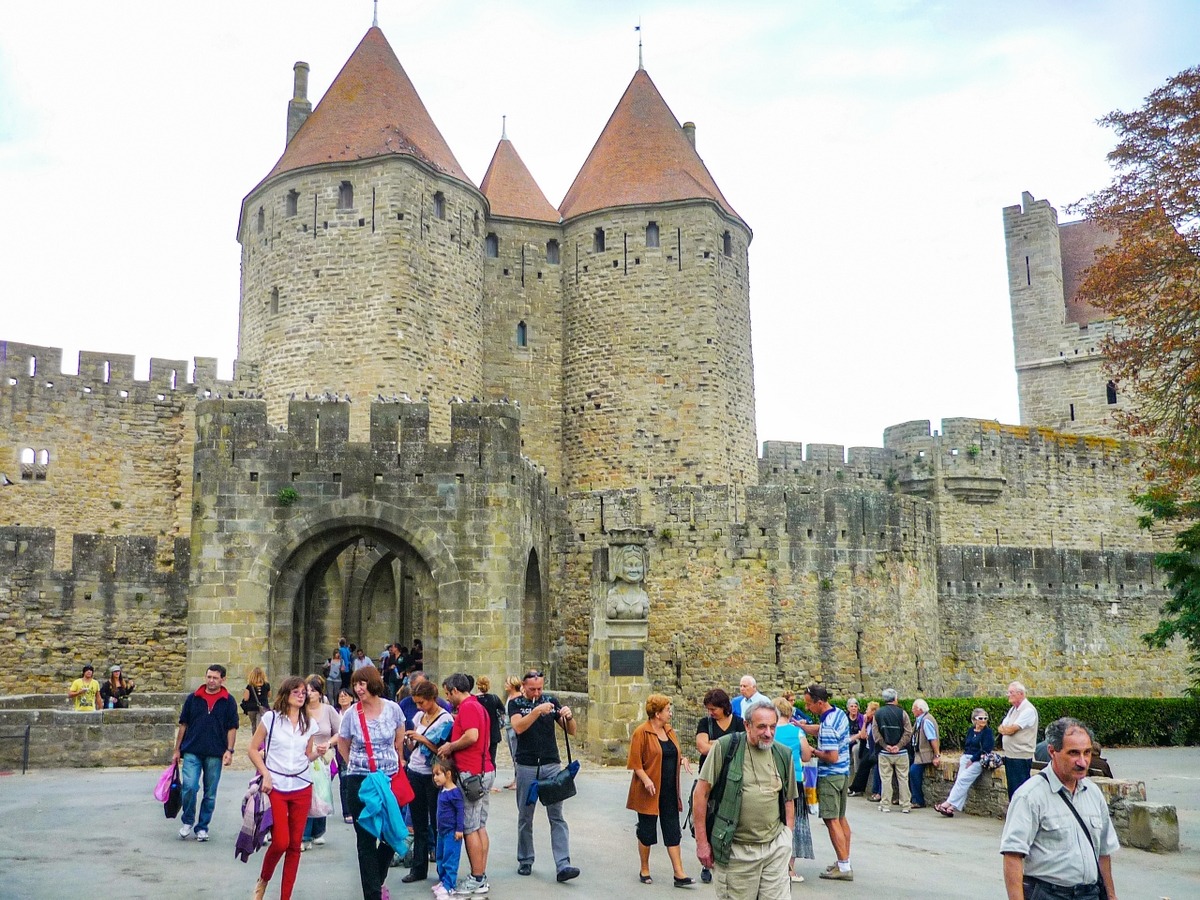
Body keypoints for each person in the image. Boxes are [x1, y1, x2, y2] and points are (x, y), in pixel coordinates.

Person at [1000, 717, 1119, 900]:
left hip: (1090, 894)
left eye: (1087, 753)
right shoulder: (1030, 796)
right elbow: (1013, 856)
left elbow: (1103, 852)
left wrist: (1111, 896)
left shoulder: (1093, 793)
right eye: (1073, 753)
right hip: (1048, 894)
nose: (1082, 762)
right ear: (1052, 751)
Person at [693, 699, 796, 900]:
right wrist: (702, 842)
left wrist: (787, 839)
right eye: (762, 727)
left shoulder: (783, 754)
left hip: (774, 848)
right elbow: (701, 794)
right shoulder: (726, 748)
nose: (768, 733)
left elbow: (789, 800)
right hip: (736, 851)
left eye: (772, 726)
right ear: (747, 725)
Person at [248, 676, 325, 900]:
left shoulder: (309, 723)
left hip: (302, 785)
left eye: (304, 692)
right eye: (297, 692)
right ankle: (263, 880)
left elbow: (306, 755)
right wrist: (265, 774)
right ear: (286, 693)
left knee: (294, 845)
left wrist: (316, 753)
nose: (302, 695)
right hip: (277, 786)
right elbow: (253, 750)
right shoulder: (271, 719)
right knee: (281, 841)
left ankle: (285, 897)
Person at [336, 665, 407, 900]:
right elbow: (343, 743)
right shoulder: (351, 714)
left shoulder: (393, 709)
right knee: (365, 839)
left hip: (389, 780)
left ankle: (376, 878)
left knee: (390, 834)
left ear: (373, 684)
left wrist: (397, 759)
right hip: (360, 781)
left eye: (362, 684)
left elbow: (399, 737)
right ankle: (373, 894)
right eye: (355, 684)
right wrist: (356, 764)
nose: (358, 688)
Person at [507, 668, 580, 882]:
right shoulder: (516, 703)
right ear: (523, 687)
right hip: (527, 765)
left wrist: (568, 716)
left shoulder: (551, 700)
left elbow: (572, 730)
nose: (537, 693)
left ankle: (563, 864)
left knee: (556, 815)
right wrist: (537, 711)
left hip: (551, 763)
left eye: (539, 688)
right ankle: (526, 859)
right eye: (532, 689)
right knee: (525, 815)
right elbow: (518, 727)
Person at [439, 672, 499, 894]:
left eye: (448, 694)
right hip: (483, 770)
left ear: (455, 690)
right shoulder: (478, 706)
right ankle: (480, 872)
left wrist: (451, 746)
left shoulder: (468, 708)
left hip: (472, 773)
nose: (448, 699)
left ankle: (477, 877)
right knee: (480, 825)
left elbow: (472, 736)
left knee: (470, 827)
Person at [626, 694, 695, 886]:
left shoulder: (669, 731)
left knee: (672, 830)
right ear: (657, 714)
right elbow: (635, 763)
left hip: (669, 790)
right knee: (647, 831)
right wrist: (647, 780)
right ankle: (644, 868)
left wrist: (682, 759)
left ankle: (679, 873)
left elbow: (670, 753)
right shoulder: (642, 733)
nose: (670, 713)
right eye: (667, 710)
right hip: (649, 790)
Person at [172, 664, 240, 842]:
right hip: (192, 750)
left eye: (215, 678)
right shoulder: (193, 698)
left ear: (223, 679)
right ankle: (187, 821)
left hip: (215, 753)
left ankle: (202, 826)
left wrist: (229, 750)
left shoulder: (228, 701)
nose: (211, 681)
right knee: (189, 787)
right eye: (209, 677)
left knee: (210, 793)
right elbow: (183, 724)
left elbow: (232, 728)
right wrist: (177, 749)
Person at [401, 679, 454, 884]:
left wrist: (422, 739)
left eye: (422, 702)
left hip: (433, 775)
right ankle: (418, 868)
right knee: (418, 821)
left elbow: (441, 750)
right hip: (415, 771)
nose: (418, 706)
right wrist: (410, 741)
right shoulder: (418, 716)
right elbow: (414, 747)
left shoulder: (445, 719)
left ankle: (442, 869)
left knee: (437, 822)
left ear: (432, 699)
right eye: (416, 702)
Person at [802, 683, 854, 882]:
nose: (807, 708)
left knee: (831, 820)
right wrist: (804, 728)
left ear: (820, 702)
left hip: (830, 775)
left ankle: (844, 867)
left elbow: (831, 756)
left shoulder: (828, 726)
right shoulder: (837, 714)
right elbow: (822, 729)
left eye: (809, 705)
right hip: (842, 773)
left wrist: (813, 751)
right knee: (841, 818)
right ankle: (844, 861)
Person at [694, 688, 745, 884]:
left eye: (713, 709)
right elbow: (702, 747)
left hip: (733, 775)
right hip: (710, 775)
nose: (710, 713)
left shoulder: (739, 722)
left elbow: (743, 746)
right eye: (708, 709)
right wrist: (727, 745)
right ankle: (706, 862)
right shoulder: (705, 723)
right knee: (709, 816)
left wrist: (716, 743)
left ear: (723, 707)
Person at [771, 697, 814, 884]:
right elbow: (806, 756)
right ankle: (789, 868)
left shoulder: (770, 732)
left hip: (773, 780)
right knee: (793, 823)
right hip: (794, 781)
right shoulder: (797, 733)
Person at [301, 674, 341, 851]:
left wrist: (329, 743)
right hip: (305, 757)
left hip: (324, 759)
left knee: (321, 794)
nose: (309, 694)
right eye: (306, 690)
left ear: (319, 693)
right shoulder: (300, 710)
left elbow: (339, 732)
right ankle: (305, 835)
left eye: (312, 690)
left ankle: (318, 830)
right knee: (308, 795)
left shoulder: (328, 710)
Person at [936, 708, 995, 816]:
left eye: (985, 718)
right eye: (980, 718)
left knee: (963, 780)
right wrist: (966, 757)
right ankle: (952, 808)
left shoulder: (987, 732)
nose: (983, 720)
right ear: (974, 719)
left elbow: (986, 748)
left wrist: (973, 759)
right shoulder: (971, 730)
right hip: (966, 757)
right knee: (960, 781)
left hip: (978, 760)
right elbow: (967, 745)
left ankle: (947, 803)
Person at [870, 688, 913, 815]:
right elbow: (908, 732)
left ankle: (885, 804)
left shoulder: (878, 714)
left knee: (885, 779)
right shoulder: (902, 713)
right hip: (901, 752)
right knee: (903, 778)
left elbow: (875, 733)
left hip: (884, 753)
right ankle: (906, 804)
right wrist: (898, 746)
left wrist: (885, 745)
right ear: (895, 698)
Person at [998, 681, 1039, 800]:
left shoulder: (1028, 710)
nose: (1008, 695)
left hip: (1021, 755)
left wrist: (1006, 729)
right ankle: (1014, 814)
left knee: (1020, 789)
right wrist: (1006, 729)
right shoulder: (1013, 710)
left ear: (1020, 694)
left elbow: (1012, 729)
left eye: (1011, 692)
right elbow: (1001, 727)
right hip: (1011, 754)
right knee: (1012, 788)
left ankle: (1021, 816)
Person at [432, 758, 466, 900]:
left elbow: (460, 811)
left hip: (452, 832)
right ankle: (443, 880)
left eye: (438, 774)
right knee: (440, 856)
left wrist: (459, 829)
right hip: (441, 831)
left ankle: (449, 885)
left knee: (450, 858)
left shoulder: (455, 793)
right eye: (434, 775)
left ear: (448, 774)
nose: (435, 778)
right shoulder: (442, 791)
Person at [908, 698, 941, 808]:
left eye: (914, 708)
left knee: (913, 771)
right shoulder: (920, 719)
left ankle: (918, 800)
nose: (912, 710)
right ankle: (911, 798)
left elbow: (933, 738)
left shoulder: (926, 720)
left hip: (924, 754)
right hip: (918, 753)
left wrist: (936, 755)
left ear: (920, 710)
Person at [475, 675, 505, 783]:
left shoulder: (474, 699)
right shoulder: (494, 698)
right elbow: (502, 711)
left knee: (479, 758)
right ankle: (491, 782)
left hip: (479, 733)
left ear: (477, 685)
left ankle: (479, 780)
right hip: (493, 733)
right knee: (492, 759)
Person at [847, 701, 879, 798]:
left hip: (873, 749)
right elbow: (863, 735)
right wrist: (865, 722)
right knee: (863, 764)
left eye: (868, 709)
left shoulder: (876, 722)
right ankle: (856, 788)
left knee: (864, 764)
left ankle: (856, 788)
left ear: (873, 711)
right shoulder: (869, 722)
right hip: (867, 748)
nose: (866, 711)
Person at [335, 686, 356, 823]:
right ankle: (346, 811)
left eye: (345, 695)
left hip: (354, 749)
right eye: (340, 696)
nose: (343, 697)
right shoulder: (335, 713)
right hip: (340, 751)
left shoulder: (356, 712)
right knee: (344, 782)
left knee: (354, 781)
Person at [501, 676, 523, 790]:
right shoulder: (510, 697)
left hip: (514, 730)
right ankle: (516, 779)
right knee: (513, 755)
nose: (505, 684)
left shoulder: (518, 698)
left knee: (517, 755)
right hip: (509, 728)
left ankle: (518, 781)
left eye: (507, 683)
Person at [242, 667, 271, 733]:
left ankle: (255, 740)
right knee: (260, 725)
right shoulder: (267, 685)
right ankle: (260, 741)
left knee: (254, 725)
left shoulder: (249, 686)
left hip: (251, 708)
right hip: (263, 707)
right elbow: (269, 695)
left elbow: (246, 698)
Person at [843, 699, 864, 781]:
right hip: (846, 739)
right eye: (851, 706)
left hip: (859, 741)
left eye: (855, 706)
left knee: (856, 749)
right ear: (848, 708)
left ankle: (857, 773)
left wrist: (854, 737)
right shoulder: (844, 717)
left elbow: (862, 733)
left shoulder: (861, 718)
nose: (854, 708)